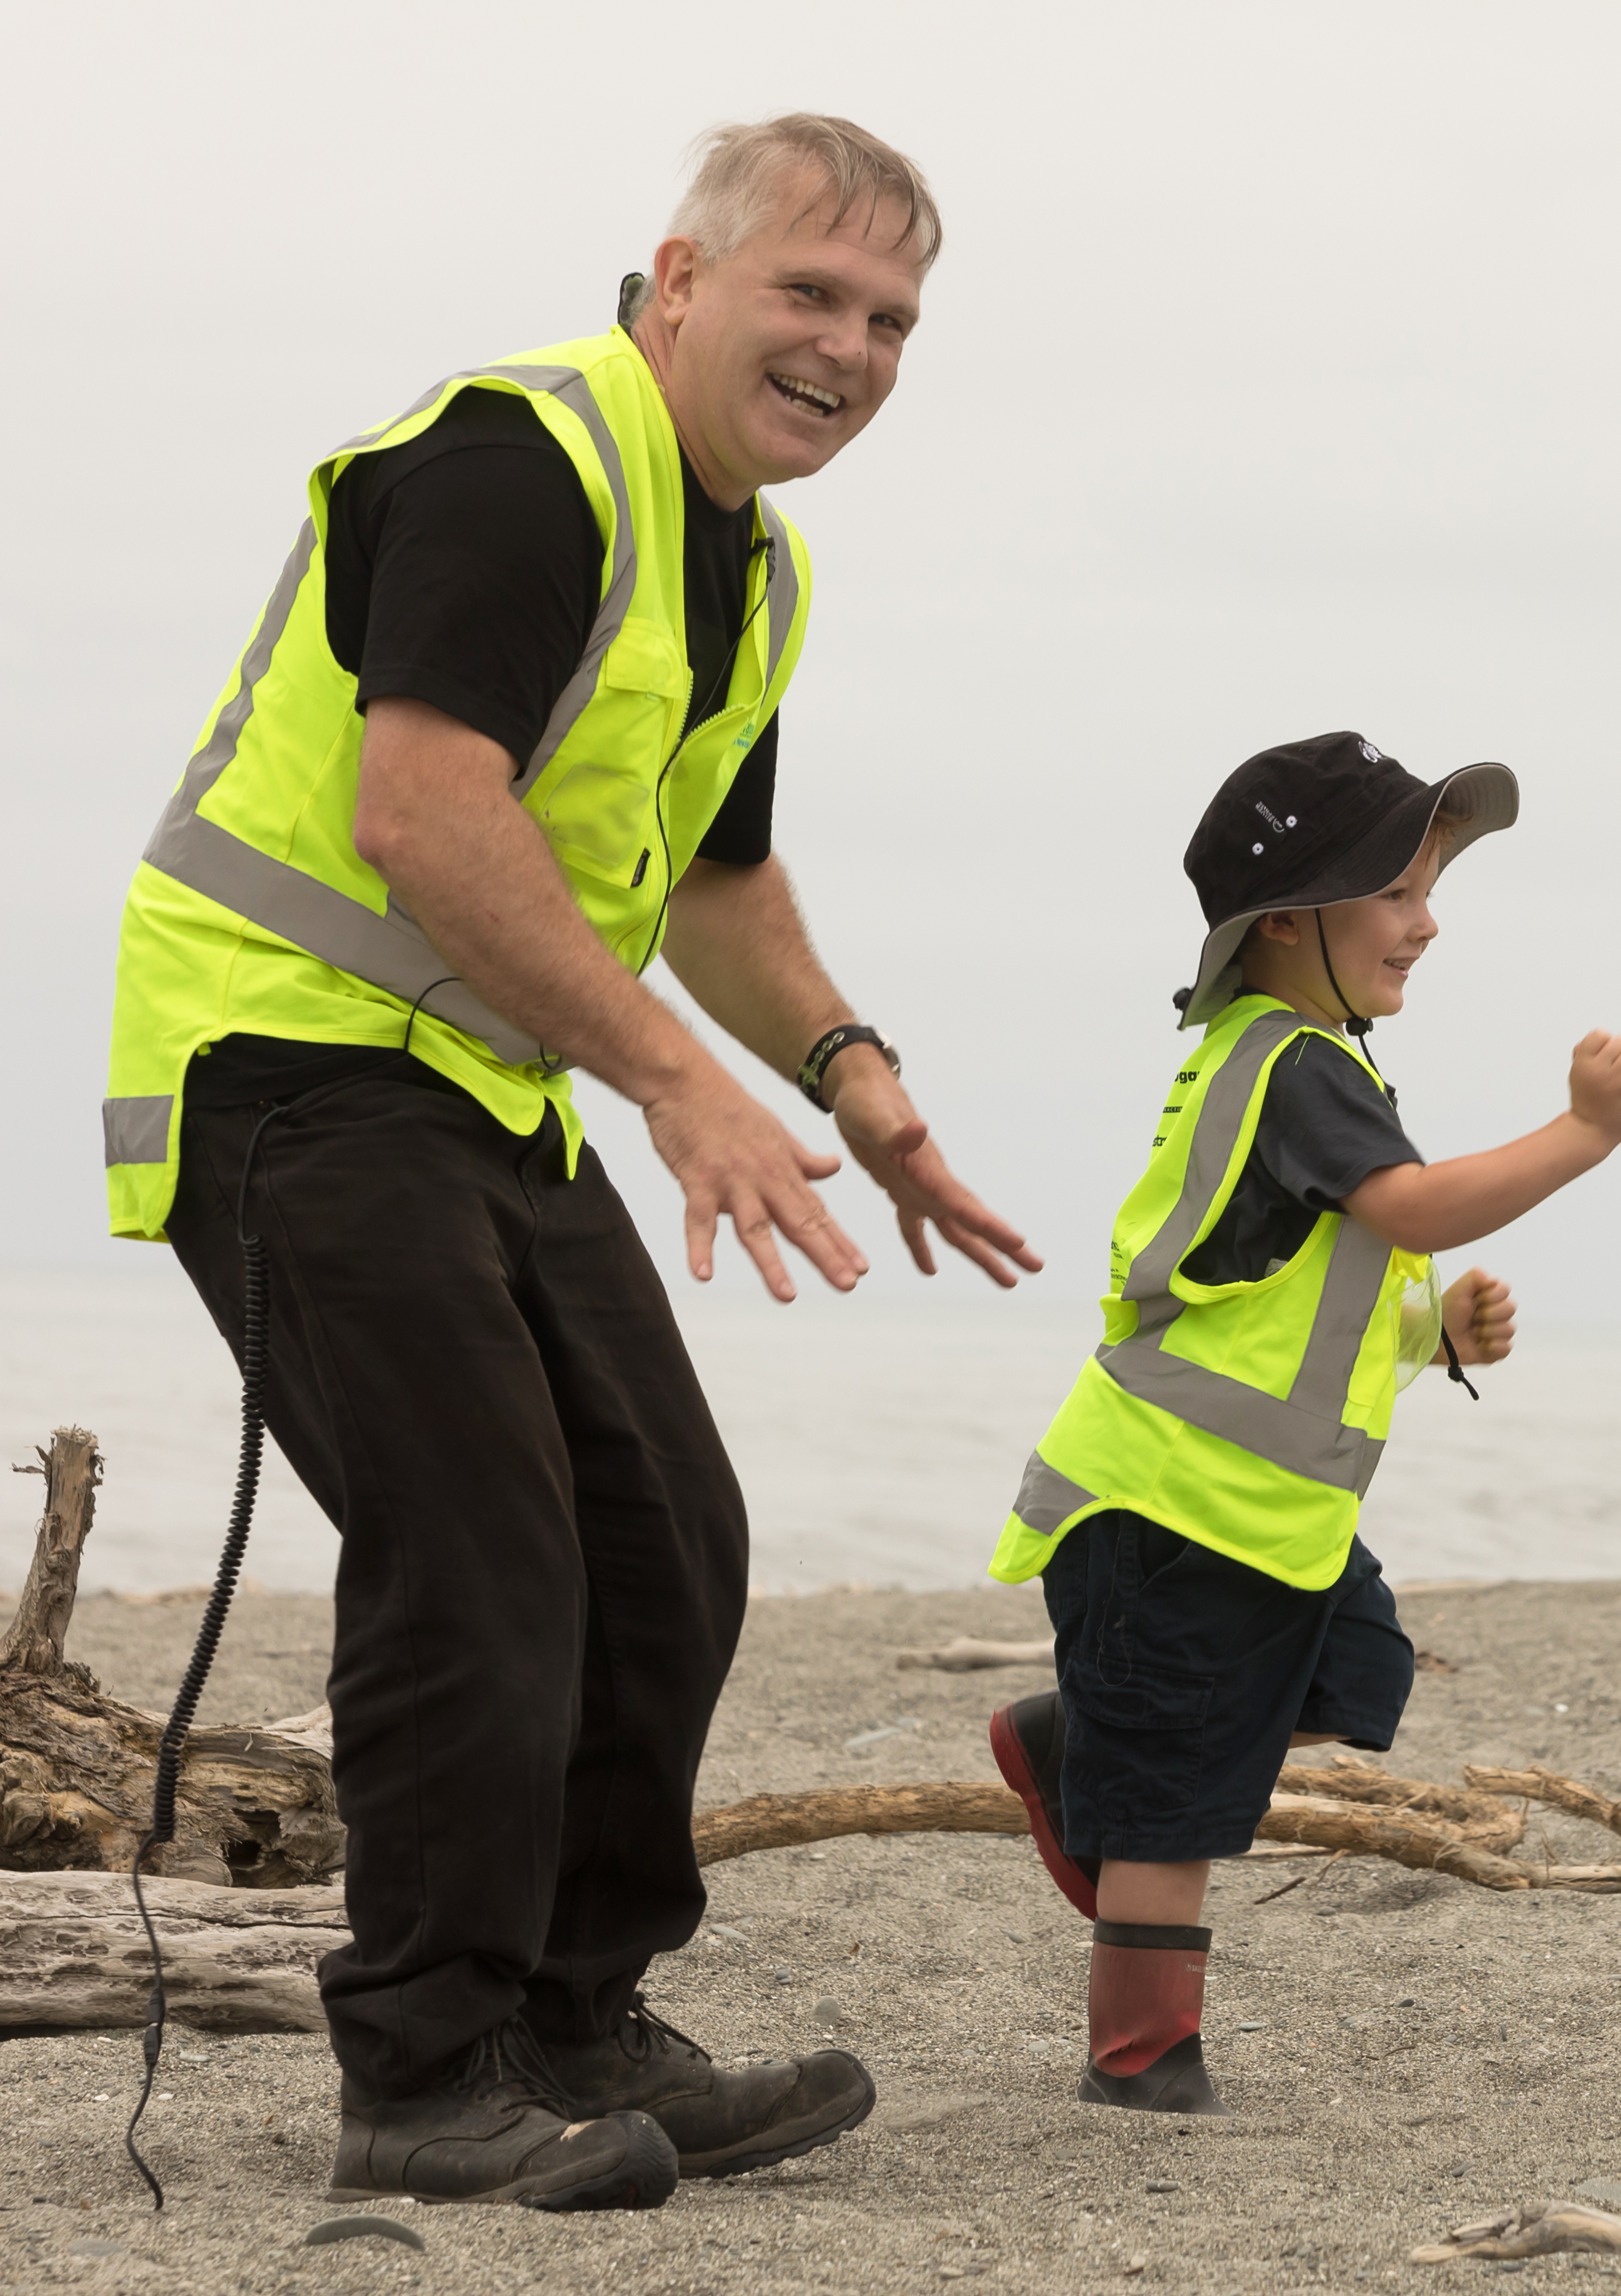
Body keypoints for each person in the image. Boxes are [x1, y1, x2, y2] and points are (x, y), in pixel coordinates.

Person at [102, 113, 1040, 2211]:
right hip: (278, 1058)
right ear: (679, 277)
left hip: (480, 1083)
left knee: (668, 1540)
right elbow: (422, 820)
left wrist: (845, 1068)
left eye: (890, 319)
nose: (851, 349)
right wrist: (678, 1087)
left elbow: (714, 876)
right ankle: (423, 2070)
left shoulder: (752, 560)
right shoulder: (516, 463)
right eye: (810, 294)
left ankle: (573, 2015)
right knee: (481, 1547)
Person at [985, 730, 1621, 2115]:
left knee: (1361, 1680)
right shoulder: (1290, 1062)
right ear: (1283, 920)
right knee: (1172, 1800)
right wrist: (1580, 1135)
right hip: (1167, 1510)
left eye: (1427, 886)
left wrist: (1433, 1335)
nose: (1425, 919)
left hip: (1262, 1522)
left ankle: (1078, 1737)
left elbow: (1281, 1296)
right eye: (1393, 891)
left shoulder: (1308, 1061)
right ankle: (1141, 2056)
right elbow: (1405, 1210)